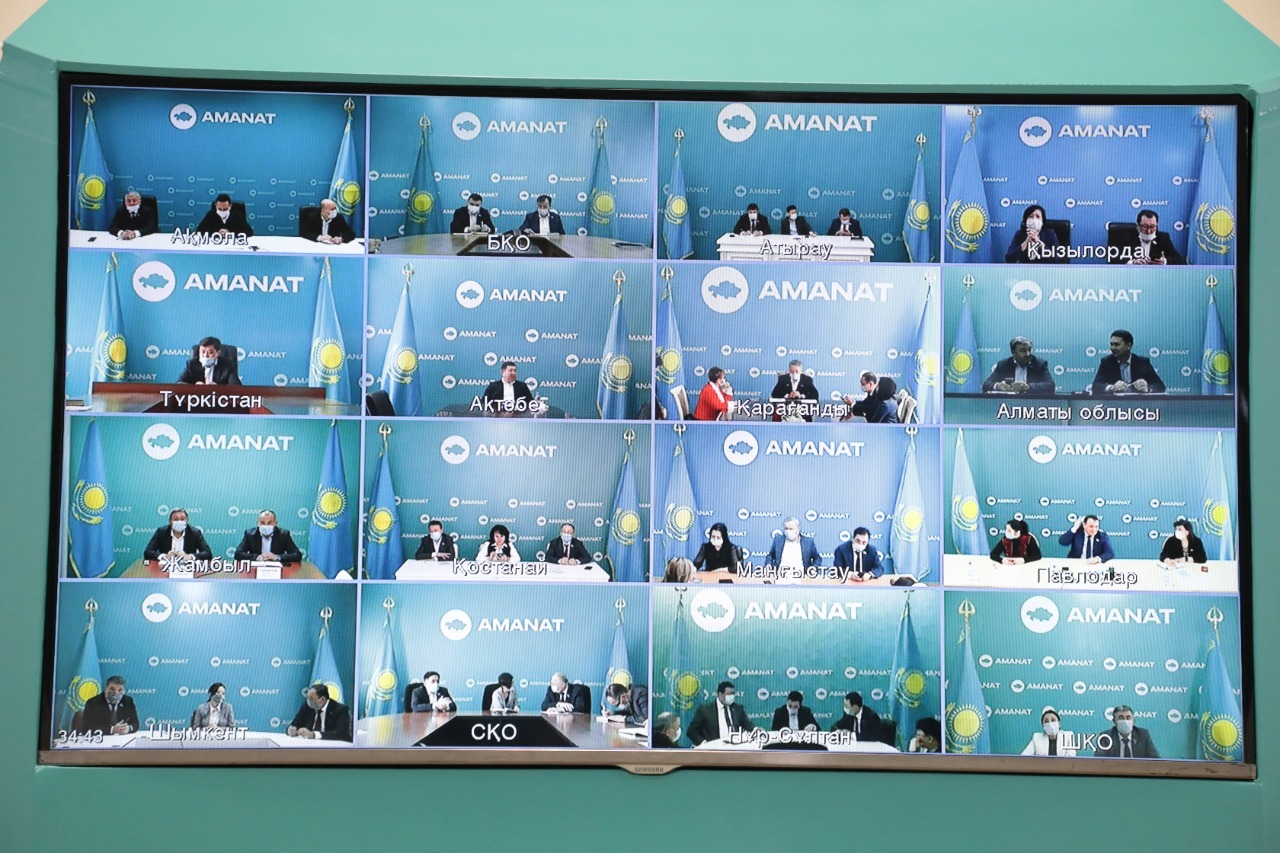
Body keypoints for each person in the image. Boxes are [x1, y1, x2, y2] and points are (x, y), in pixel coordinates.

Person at [1091, 329, 1165, 394]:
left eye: (1116, 344)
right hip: (1115, 403)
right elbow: (1095, 386)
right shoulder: (1107, 362)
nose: (1112, 348)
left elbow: (1160, 386)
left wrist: (1148, 388)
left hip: (1139, 403)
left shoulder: (1142, 362)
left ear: (1128, 346)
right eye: (1111, 344)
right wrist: (1112, 388)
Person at [982, 337, 1056, 394]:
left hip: (1032, 403)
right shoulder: (1004, 365)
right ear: (1013, 351)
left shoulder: (1039, 364)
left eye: (1029, 350)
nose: (1028, 354)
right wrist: (998, 386)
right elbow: (986, 385)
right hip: (1009, 402)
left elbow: (1051, 386)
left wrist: (1028, 387)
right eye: (1023, 350)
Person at [1110, 209, 1186, 265]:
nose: (1149, 231)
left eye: (1152, 227)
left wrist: (1164, 261)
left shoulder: (1163, 237)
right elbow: (1113, 259)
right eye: (1145, 227)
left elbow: (1178, 260)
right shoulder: (1126, 237)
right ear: (1138, 226)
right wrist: (1132, 262)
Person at [687, 681, 753, 745]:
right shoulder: (705, 710)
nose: (732, 696)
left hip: (735, 748)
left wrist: (755, 730)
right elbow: (691, 731)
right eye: (729, 694)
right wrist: (704, 744)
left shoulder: (738, 709)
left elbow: (748, 725)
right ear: (720, 694)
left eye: (733, 694)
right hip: (714, 749)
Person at [143, 508, 213, 563]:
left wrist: (189, 556)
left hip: (188, 569)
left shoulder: (195, 533)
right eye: (176, 519)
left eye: (182, 519)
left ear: (187, 521)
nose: (179, 521)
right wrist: (164, 556)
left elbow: (208, 553)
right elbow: (148, 552)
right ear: (170, 521)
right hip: (165, 568)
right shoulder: (162, 532)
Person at [287, 683, 352, 741]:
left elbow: (341, 734)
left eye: (311, 699)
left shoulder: (340, 709)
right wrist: (291, 729)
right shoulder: (306, 707)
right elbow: (295, 724)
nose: (308, 701)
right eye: (307, 698)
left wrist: (314, 735)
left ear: (322, 699)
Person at [233, 510, 303, 564]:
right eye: (262, 523)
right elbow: (238, 554)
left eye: (269, 523)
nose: (266, 526)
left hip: (277, 570)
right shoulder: (250, 534)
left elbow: (297, 555)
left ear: (275, 523)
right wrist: (257, 557)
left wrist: (276, 557)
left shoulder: (284, 534)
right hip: (255, 569)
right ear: (257, 523)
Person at [1093, 705, 1160, 758]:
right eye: (1121, 718)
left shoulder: (1143, 734)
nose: (1125, 721)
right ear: (1114, 721)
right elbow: (1100, 761)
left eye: (1128, 718)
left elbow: (1156, 760)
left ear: (1133, 720)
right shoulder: (1106, 737)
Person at [176, 336, 241, 385]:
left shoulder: (227, 365)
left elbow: (236, 387)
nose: (205, 355)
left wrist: (218, 388)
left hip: (218, 398)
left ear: (218, 353)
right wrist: (194, 387)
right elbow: (179, 384)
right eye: (203, 352)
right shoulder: (192, 364)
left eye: (210, 352)